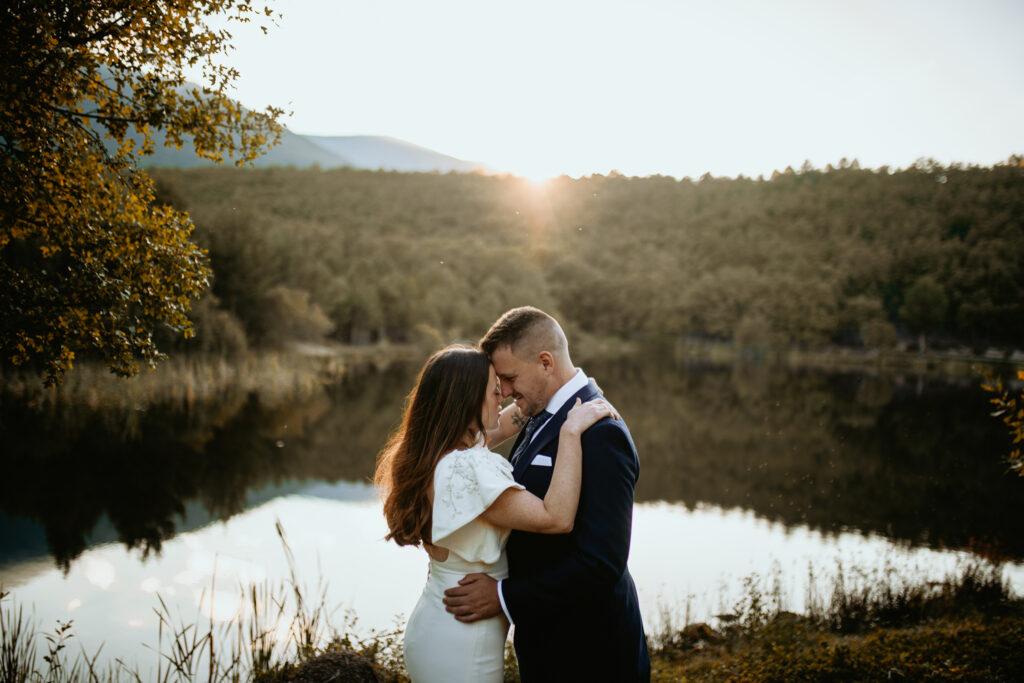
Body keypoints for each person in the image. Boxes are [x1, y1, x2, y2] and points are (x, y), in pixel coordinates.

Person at [374, 343, 617, 682]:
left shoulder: (441, 448)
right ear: (467, 401)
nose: (502, 394)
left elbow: (502, 425)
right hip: (461, 642)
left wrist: (561, 391)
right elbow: (556, 517)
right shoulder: (468, 469)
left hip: (443, 624)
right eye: (494, 389)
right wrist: (571, 432)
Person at [442, 307, 650, 682]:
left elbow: (603, 563)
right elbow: (468, 440)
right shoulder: (541, 413)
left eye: (508, 378)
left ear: (545, 363)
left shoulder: (601, 433)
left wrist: (504, 597)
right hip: (548, 643)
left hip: (592, 653)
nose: (503, 391)